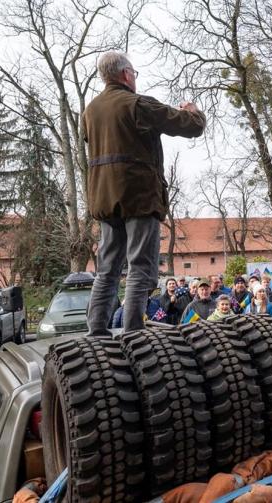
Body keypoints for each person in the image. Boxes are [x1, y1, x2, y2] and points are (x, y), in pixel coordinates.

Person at [83, 51, 205, 335]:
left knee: (107, 269)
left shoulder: (90, 110)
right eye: (134, 74)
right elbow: (190, 127)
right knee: (140, 267)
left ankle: (96, 330)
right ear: (126, 74)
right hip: (138, 199)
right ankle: (133, 331)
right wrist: (193, 111)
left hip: (104, 201)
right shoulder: (137, 104)